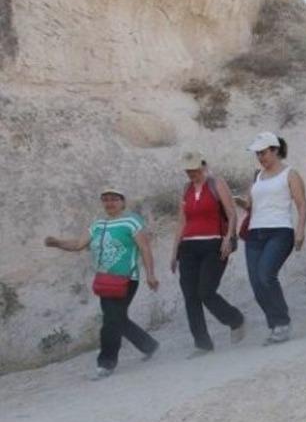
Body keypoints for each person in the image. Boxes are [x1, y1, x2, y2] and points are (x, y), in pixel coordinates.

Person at [44, 187, 160, 380]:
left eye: (114, 199)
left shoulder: (132, 221)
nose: (109, 203)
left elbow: (145, 249)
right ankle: (148, 345)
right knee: (117, 318)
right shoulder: (98, 224)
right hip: (105, 281)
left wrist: (150, 274)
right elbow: (79, 244)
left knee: (110, 321)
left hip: (126, 279)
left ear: (122, 201)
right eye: (105, 199)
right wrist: (57, 242)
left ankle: (106, 363)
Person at [170, 152, 245, 358]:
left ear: (203, 166)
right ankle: (202, 343)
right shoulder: (186, 189)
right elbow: (182, 222)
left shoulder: (216, 183)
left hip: (214, 244)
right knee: (190, 295)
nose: (191, 173)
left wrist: (229, 238)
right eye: (188, 169)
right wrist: (175, 250)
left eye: (194, 168)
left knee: (206, 291)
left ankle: (235, 319)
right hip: (188, 247)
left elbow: (231, 213)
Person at [239, 132, 306, 344]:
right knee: (256, 282)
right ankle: (275, 325)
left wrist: (300, 229)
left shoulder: (290, 174)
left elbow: (301, 204)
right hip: (255, 232)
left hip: (280, 231)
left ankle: (282, 322)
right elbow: (251, 204)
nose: (260, 157)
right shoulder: (257, 176)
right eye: (257, 154)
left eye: (264, 152)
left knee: (265, 275)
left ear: (275, 150)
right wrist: (241, 202)